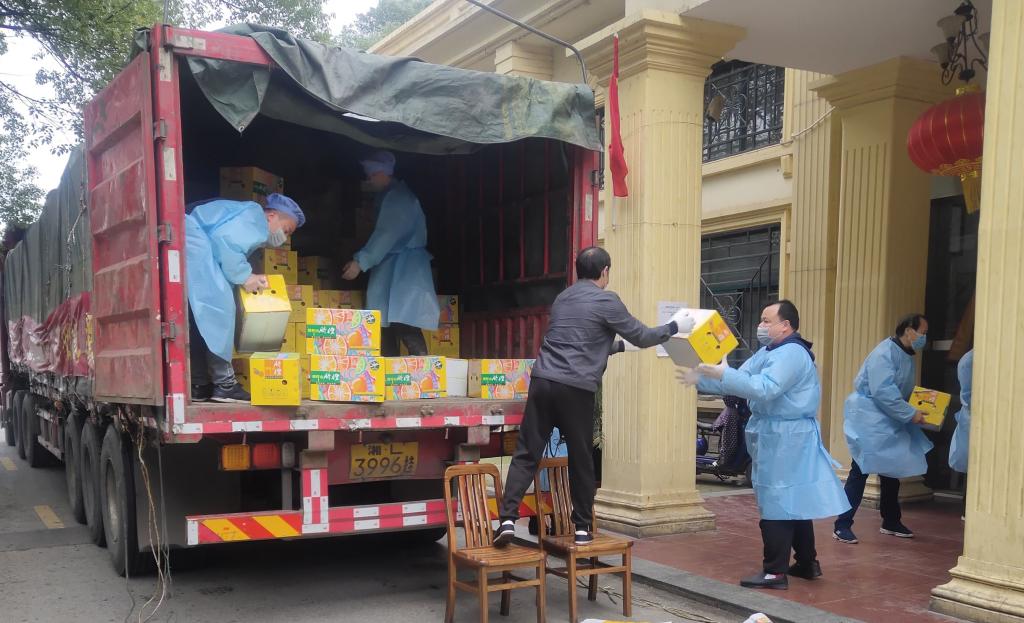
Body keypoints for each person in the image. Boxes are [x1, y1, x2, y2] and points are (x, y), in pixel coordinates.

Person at [493, 247, 694, 547]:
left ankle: (507, 520)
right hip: (575, 388)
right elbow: (642, 336)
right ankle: (582, 528)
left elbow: (577, 340)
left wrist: (618, 347)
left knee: (527, 452)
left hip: (543, 380)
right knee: (581, 459)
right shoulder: (607, 300)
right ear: (605, 271)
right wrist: (675, 327)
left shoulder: (563, 298)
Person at [680, 300, 849, 590]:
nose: (761, 326)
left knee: (776, 500)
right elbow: (741, 380)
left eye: (767, 321)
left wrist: (722, 374)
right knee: (794, 499)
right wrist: (702, 379)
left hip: (785, 437)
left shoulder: (791, 353)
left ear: (786, 325)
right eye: (761, 320)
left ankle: (774, 572)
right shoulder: (770, 351)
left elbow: (764, 388)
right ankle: (807, 563)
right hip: (780, 434)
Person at [186, 193, 305, 403]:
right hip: (194, 245)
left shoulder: (246, 215)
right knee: (220, 312)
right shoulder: (255, 218)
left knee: (199, 321)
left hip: (191, 244)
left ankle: (199, 385)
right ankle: (225, 385)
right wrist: (245, 276)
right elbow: (227, 242)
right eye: (286, 230)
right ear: (271, 216)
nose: (284, 238)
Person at [833, 314, 934, 544]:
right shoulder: (884, 353)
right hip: (870, 420)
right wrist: (911, 413)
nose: (924, 338)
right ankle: (842, 524)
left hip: (888, 420)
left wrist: (920, 406)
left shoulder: (906, 355)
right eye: (923, 332)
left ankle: (891, 521)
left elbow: (901, 391)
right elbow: (883, 392)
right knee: (860, 470)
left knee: (892, 470)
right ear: (909, 330)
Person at [342, 150, 439, 357]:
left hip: (404, 267)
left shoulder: (398, 199)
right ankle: (389, 371)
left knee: (404, 321)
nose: (369, 181)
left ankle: (422, 369)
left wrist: (360, 261)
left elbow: (387, 234)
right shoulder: (389, 195)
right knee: (384, 323)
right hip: (392, 264)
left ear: (381, 174)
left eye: (370, 176)